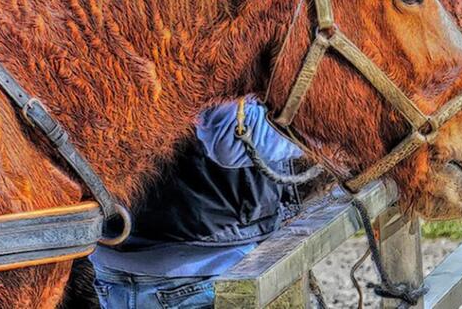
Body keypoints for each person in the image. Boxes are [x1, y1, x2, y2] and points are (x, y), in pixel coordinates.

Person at [88, 97, 304, 308]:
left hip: (114, 257)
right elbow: (231, 139)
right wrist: (322, 127)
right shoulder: (216, 60)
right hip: (204, 267)